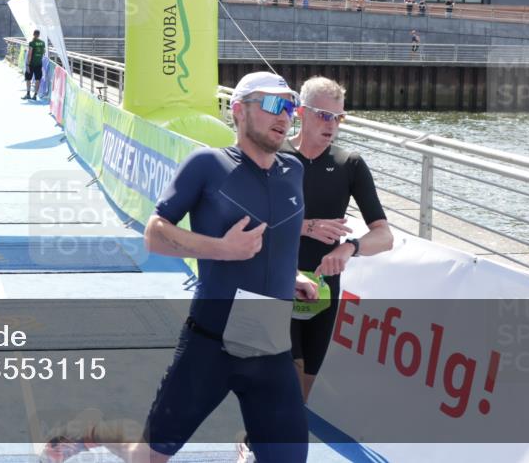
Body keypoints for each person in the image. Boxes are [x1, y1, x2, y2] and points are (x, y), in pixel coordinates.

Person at [42, 72, 317, 463]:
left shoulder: (294, 171)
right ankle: (98, 431)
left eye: (290, 106)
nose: (285, 115)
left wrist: (291, 275)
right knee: (149, 459)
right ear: (238, 111)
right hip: (210, 345)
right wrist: (221, 249)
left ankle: (249, 444)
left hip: (270, 347)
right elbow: (154, 235)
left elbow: (274, 240)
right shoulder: (208, 164)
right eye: (273, 105)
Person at [283, 77, 393, 400]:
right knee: (287, 379)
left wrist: (350, 248)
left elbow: (384, 236)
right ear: (301, 112)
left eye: (338, 117)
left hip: (324, 292)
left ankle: (258, 437)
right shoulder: (276, 157)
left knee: (302, 392)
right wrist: (304, 227)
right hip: (277, 283)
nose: (331, 125)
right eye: (323, 115)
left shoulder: (350, 165)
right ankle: (254, 442)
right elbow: (253, 222)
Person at [23, 29, 46, 100]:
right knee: (37, 79)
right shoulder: (42, 43)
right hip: (39, 63)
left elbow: (29, 54)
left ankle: (28, 94)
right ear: (39, 35)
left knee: (28, 79)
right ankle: (35, 95)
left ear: (33, 34)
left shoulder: (32, 43)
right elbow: (43, 52)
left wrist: (27, 64)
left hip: (31, 64)